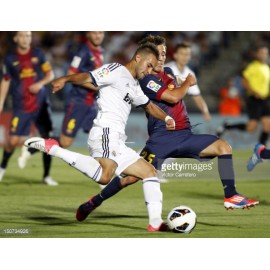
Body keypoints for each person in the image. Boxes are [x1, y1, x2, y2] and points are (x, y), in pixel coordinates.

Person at [74, 34, 259, 230]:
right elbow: (172, 97)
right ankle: (94, 202)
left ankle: (231, 195)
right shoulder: (146, 79)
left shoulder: (168, 71)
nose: (162, 57)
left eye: (164, 53)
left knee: (223, 147)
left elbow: (173, 82)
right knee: (129, 178)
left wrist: (180, 80)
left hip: (185, 135)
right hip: (161, 140)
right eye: (158, 54)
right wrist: (188, 81)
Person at [24, 42, 176, 231]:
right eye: (148, 65)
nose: (150, 70)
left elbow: (149, 106)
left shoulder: (135, 85)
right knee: (105, 177)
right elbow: (89, 77)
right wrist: (65, 79)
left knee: (149, 172)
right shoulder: (115, 70)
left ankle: (155, 223)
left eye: (153, 67)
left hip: (118, 140)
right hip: (105, 131)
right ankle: (54, 149)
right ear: (138, 58)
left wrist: (167, 117)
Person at [18, 31, 105, 169]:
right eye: (94, 33)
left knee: (99, 137)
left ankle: (103, 174)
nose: (98, 36)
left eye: (100, 32)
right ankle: (32, 148)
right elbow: (70, 74)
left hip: (92, 104)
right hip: (78, 102)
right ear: (88, 34)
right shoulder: (82, 52)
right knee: (65, 142)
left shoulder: (100, 51)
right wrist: (96, 87)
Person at [0, 31, 57, 186]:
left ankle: (46, 176)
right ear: (16, 38)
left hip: (40, 104)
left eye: (28, 36)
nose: (26, 39)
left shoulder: (38, 54)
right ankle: (2, 167)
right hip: (21, 106)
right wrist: (1, 102)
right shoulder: (10, 59)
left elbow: (50, 74)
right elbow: (5, 81)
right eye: (23, 36)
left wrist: (39, 84)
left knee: (47, 138)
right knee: (12, 140)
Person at [216, 44, 270, 145]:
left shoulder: (267, 67)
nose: (263, 55)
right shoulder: (253, 66)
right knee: (251, 128)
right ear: (257, 54)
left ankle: (259, 151)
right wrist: (254, 92)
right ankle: (227, 126)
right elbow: (243, 80)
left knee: (267, 126)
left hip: (265, 99)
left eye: (265, 53)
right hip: (254, 99)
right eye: (261, 53)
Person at [165, 42, 212, 121]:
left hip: (174, 113)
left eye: (187, 54)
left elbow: (196, 96)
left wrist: (205, 111)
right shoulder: (166, 69)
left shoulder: (190, 74)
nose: (185, 56)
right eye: (182, 54)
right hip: (161, 112)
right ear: (175, 55)